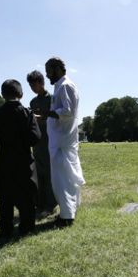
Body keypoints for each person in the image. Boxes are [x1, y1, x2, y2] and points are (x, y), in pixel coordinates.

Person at [0, 79, 41, 238]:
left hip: (5, 161)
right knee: (27, 198)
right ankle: (27, 227)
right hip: (24, 161)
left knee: (5, 198)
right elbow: (35, 137)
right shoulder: (27, 113)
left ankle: (6, 228)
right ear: (21, 94)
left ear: (3, 94)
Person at [43, 57, 85, 227]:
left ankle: (67, 217)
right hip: (60, 140)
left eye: (49, 71)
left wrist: (48, 113)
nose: (47, 75)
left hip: (63, 141)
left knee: (62, 180)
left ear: (57, 68)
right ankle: (68, 211)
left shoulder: (66, 85)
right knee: (65, 178)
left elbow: (68, 111)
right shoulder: (59, 86)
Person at [26, 70, 57, 218]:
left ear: (41, 83)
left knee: (50, 174)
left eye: (34, 85)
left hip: (50, 141)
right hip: (37, 143)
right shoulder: (32, 102)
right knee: (39, 174)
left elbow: (56, 119)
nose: (32, 88)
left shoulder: (52, 99)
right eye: (30, 85)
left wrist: (41, 118)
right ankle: (40, 204)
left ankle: (51, 205)